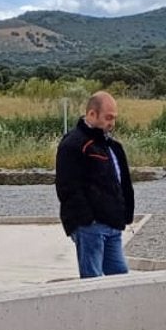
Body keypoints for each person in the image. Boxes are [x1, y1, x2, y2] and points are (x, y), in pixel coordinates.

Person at [55, 91, 133, 278]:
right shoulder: (73, 144)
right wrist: (86, 219)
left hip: (114, 225)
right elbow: (67, 186)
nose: (112, 123)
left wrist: (125, 214)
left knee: (120, 276)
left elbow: (123, 182)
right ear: (91, 114)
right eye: (108, 117)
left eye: (114, 118)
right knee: (93, 280)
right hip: (91, 226)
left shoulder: (113, 146)